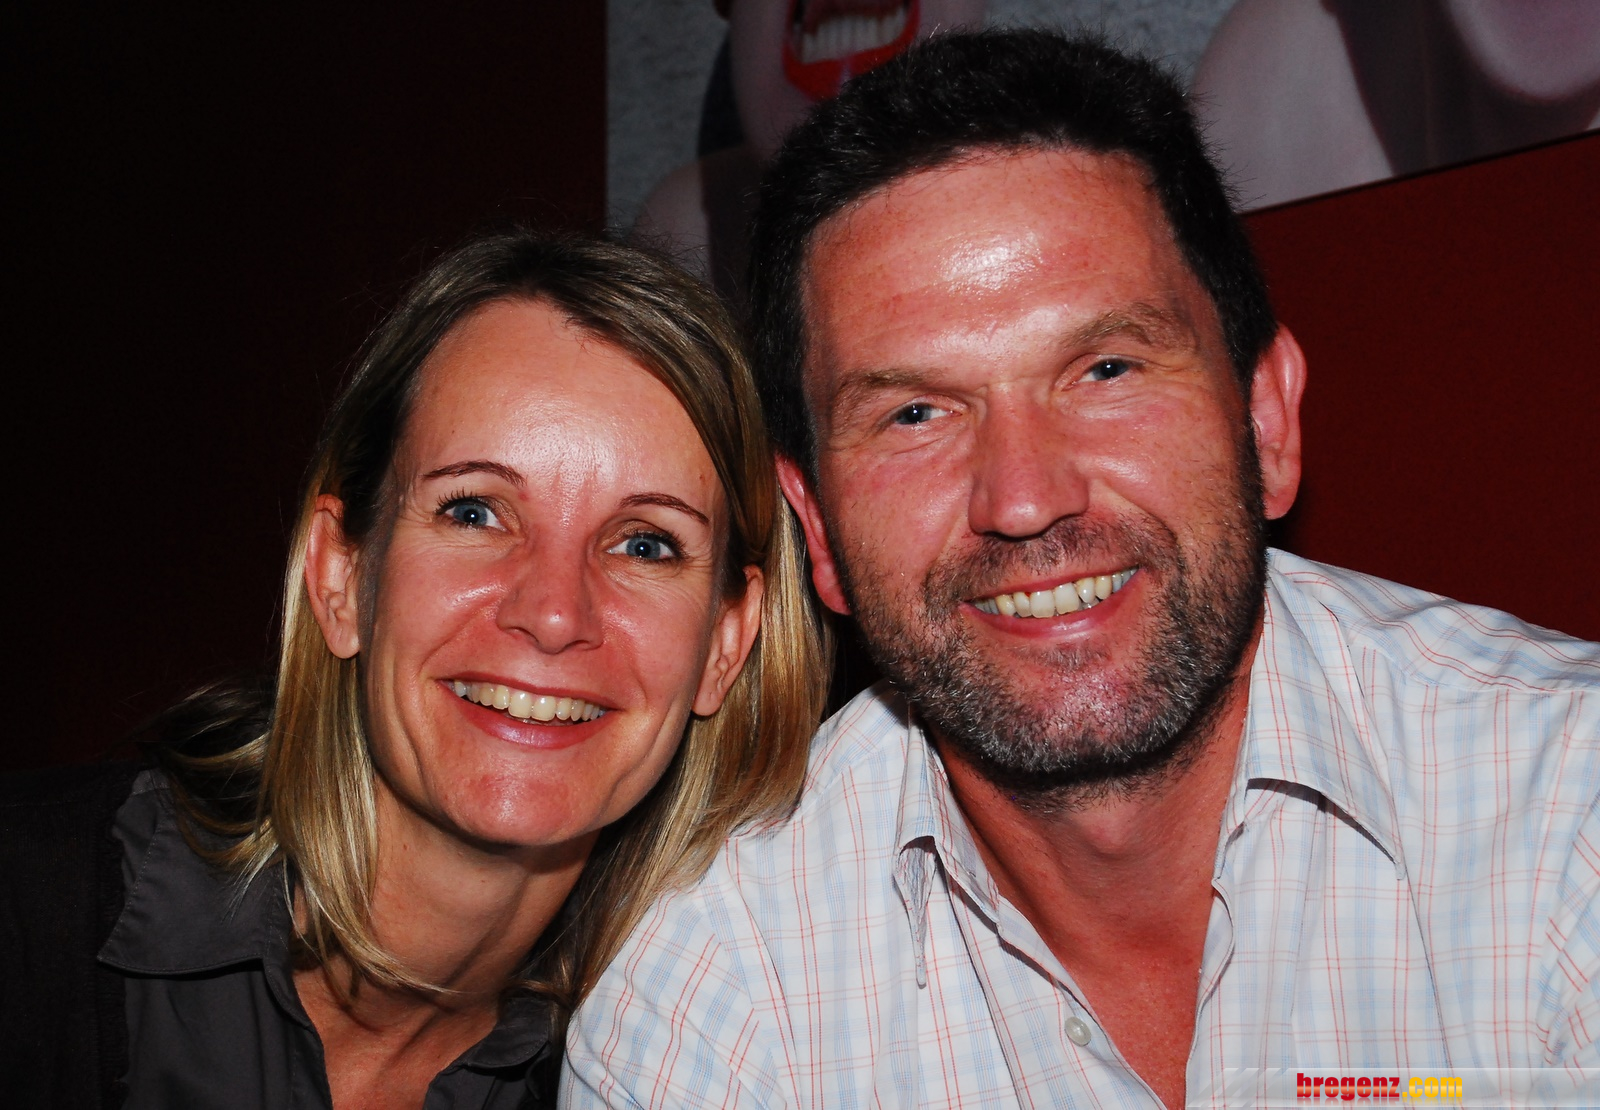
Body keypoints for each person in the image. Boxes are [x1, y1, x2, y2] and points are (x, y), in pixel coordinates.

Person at [564, 29, 1600, 1108]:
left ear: (1266, 421)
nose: (1024, 498)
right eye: (915, 414)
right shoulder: (715, 986)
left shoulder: (1571, 809)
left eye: (1105, 369)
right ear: (816, 530)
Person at [0, 229, 829, 1109]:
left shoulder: (673, 1068)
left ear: (726, 644)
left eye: (645, 543)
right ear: (341, 575)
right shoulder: (29, 913)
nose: (554, 613)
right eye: (474, 511)